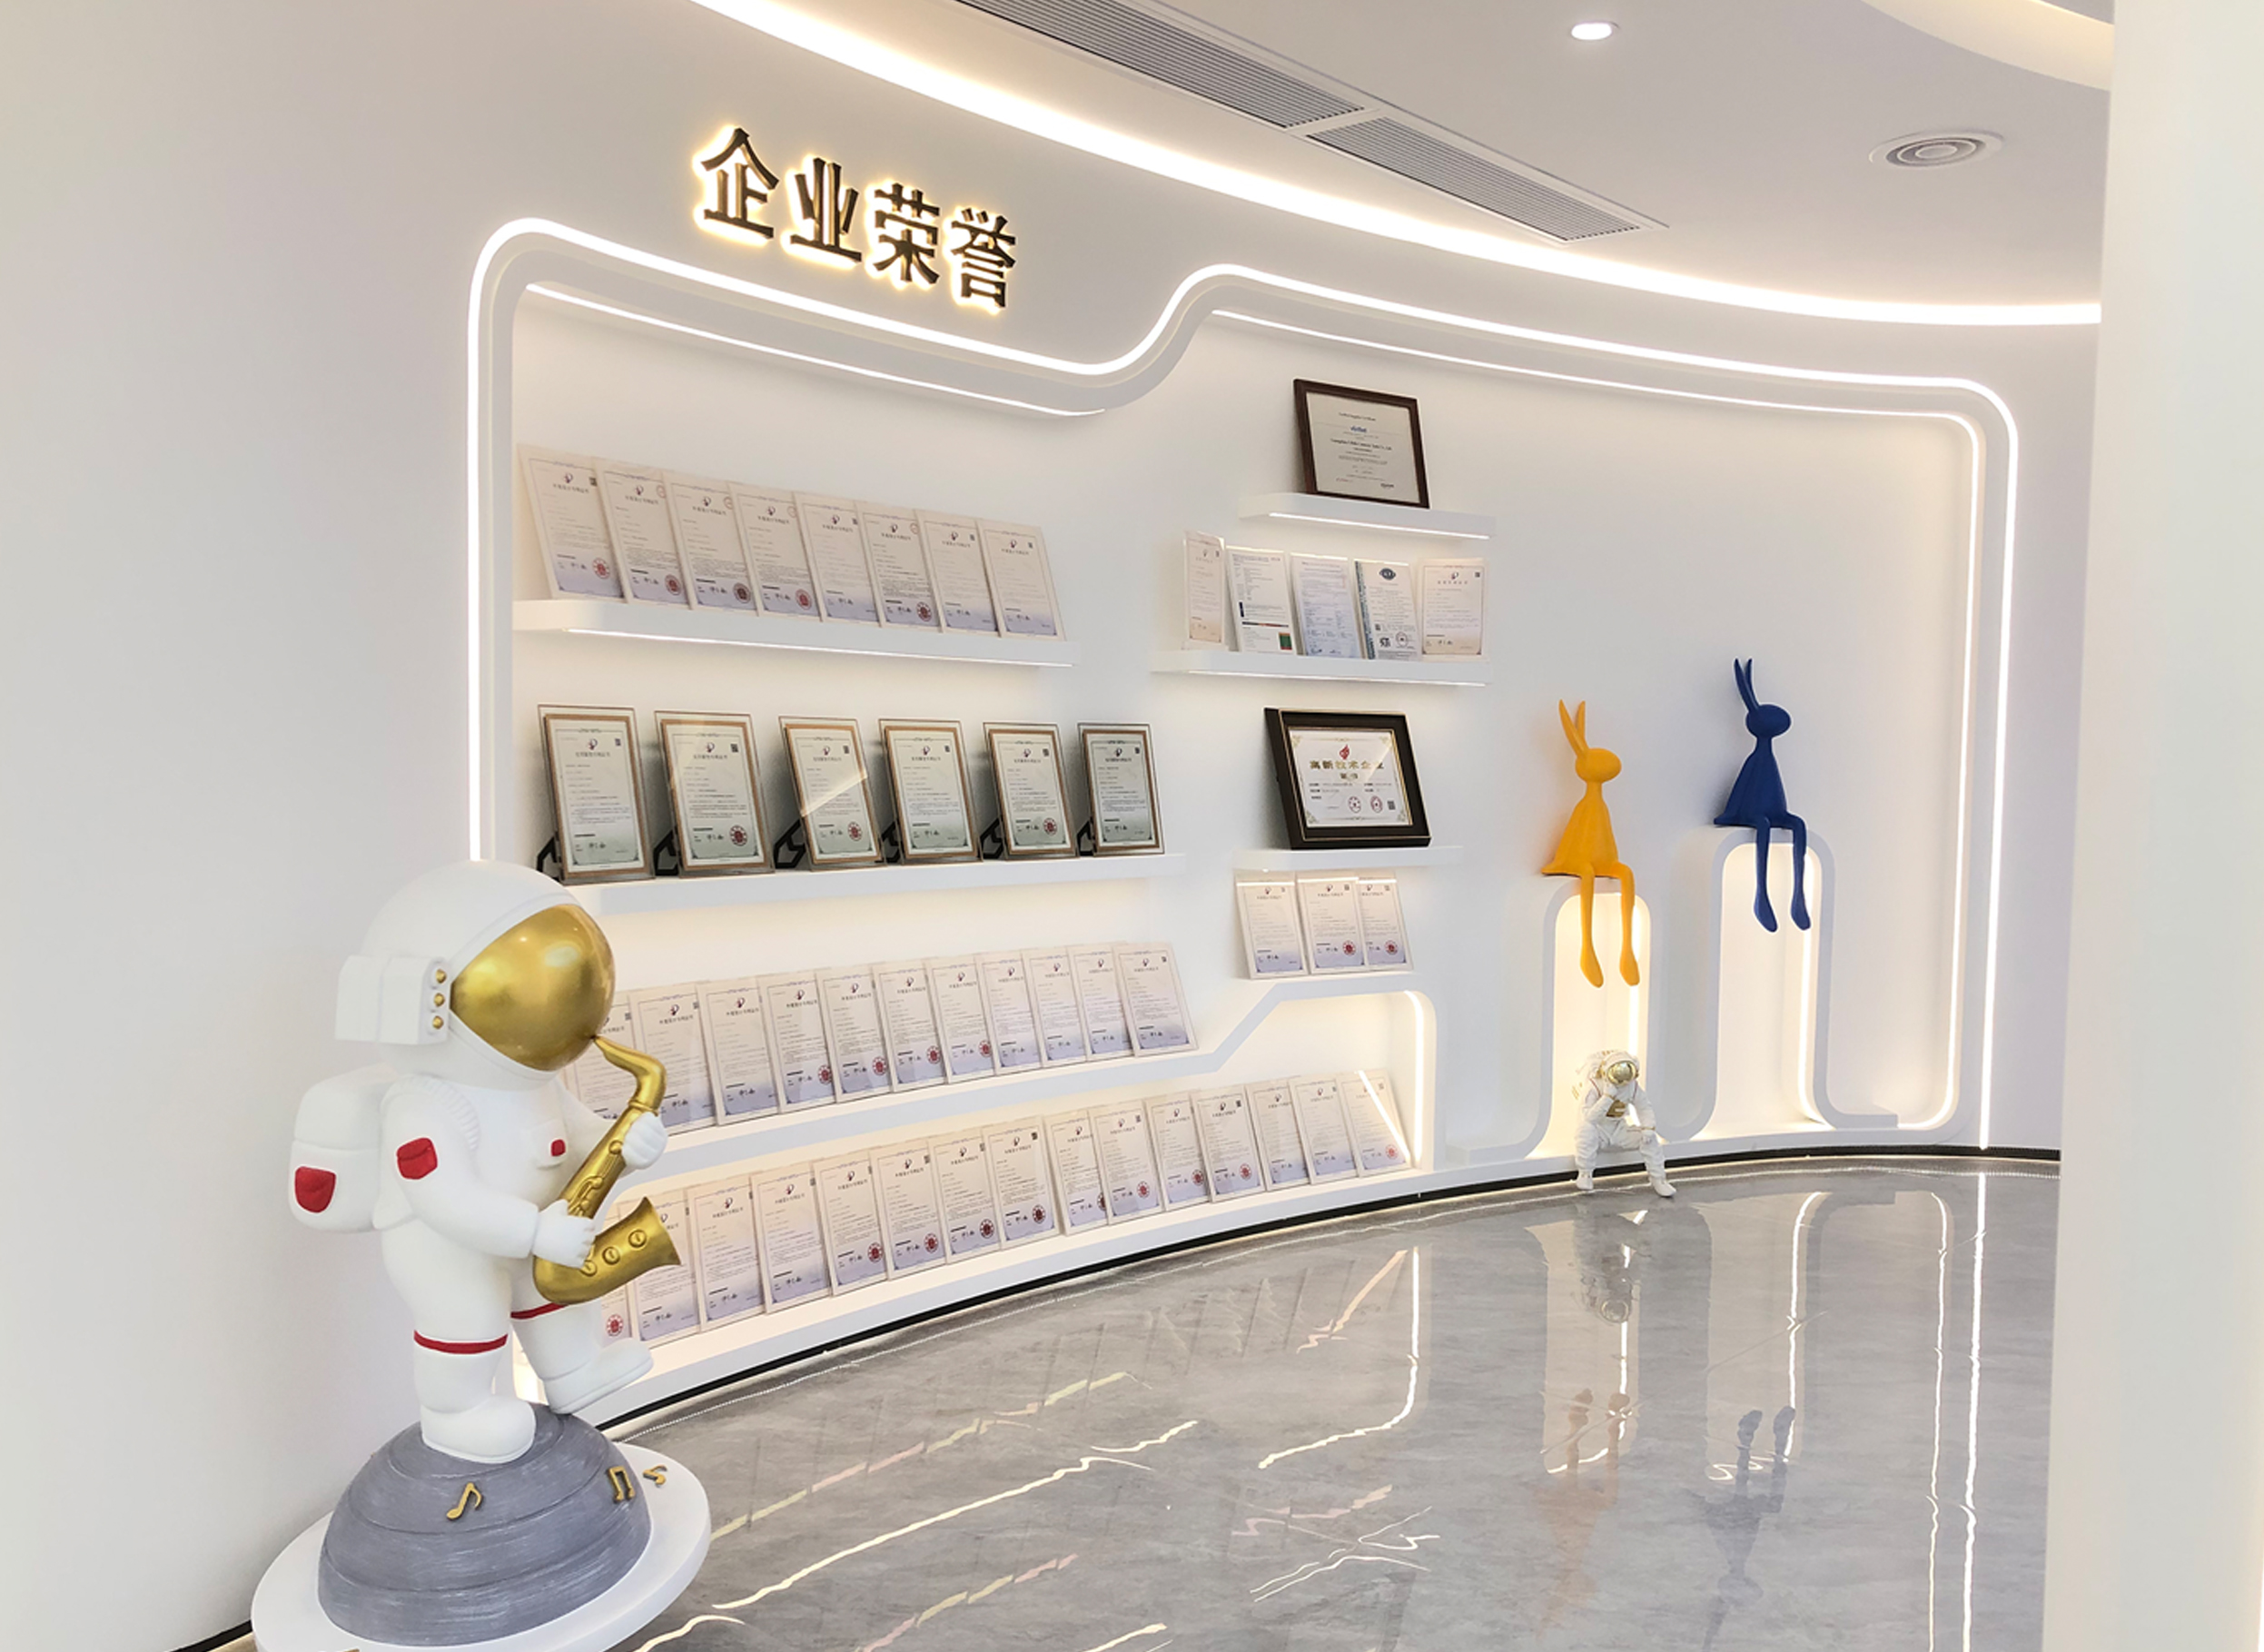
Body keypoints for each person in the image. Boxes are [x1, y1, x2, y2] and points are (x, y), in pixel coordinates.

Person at [293, 861, 667, 1462]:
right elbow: (443, 1198)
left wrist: (627, 1144)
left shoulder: (538, 1086)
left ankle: (573, 1369)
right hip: (448, 1251)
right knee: (466, 1321)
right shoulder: (423, 1102)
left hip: (535, 1229)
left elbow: (581, 1137)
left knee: (550, 1297)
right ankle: (456, 1412)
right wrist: (534, 1230)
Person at [1570, 1049, 1674, 1197]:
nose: (1622, 1077)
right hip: (1599, 1130)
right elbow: (1589, 1118)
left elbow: (1644, 1107)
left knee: (1649, 1138)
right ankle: (1585, 1173)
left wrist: (1648, 1128)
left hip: (1618, 1128)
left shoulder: (1631, 1086)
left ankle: (1659, 1179)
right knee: (1585, 1129)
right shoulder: (1595, 1085)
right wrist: (1607, 1097)